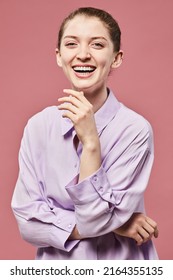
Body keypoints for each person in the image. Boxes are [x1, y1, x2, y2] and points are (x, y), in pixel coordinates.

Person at [11, 7, 158, 260]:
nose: (82, 55)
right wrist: (118, 224)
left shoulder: (135, 130)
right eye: (71, 44)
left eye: (97, 45)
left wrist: (91, 142)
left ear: (116, 58)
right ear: (59, 56)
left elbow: (93, 221)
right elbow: (28, 223)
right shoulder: (38, 126)